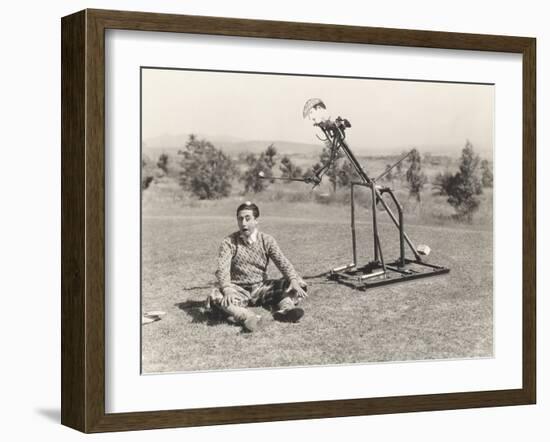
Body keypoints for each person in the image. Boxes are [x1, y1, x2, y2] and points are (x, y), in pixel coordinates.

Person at [207, 201, 308, 332]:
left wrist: (293, 281)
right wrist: (227, 289)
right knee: (216, 296)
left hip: (261, 288)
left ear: (256, 221)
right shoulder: (228, 242)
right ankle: (247, 317)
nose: (243, 223)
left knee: (296, 282)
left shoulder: (267, 240)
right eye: (240, 219)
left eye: (248, 218)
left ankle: (286, 310)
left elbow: (282, 261)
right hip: (237, 289)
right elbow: (222, 269)